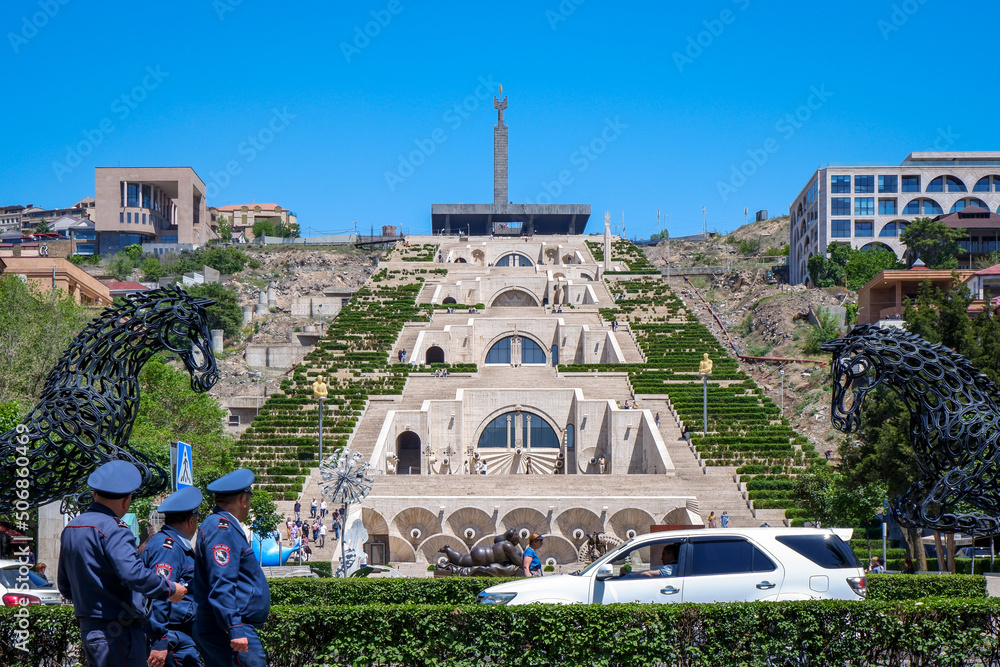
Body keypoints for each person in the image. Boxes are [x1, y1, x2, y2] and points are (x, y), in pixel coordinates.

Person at [58, 461, 187, 667]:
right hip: (119, 630)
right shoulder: (114, 528)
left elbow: (65, 587)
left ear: (94, 494)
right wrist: (170, 588)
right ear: (126, 501)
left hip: (90, 628)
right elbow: (132, 574)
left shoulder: (72, 527)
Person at [193, 469, 270, 667]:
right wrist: (234, 627)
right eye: (249, 501)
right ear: (243, 499)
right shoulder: (222, 530)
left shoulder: (222, 526)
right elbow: (221, 582)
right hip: (227, 626)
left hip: (224, 624)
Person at [142, 486, 203, 667]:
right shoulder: (167, 548)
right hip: (172, 636)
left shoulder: (174, 545)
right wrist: (160, 641)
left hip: (178, 633)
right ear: (191, 521)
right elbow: (159, 593)